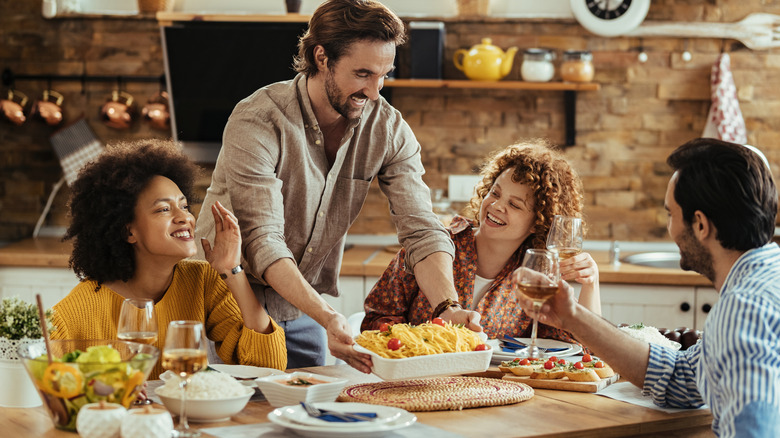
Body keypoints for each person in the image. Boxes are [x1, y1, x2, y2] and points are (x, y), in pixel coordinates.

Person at [195, 0, 475, 372]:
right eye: (362, 74)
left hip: (302, 306)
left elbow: (422, 229)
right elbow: (263, 240)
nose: (374, 91)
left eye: (383, 75)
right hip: (226, 300)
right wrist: (328, 317)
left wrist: (447, 308)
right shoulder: (260, 118)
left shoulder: (387, 128)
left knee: (311, 417)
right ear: (321, 56)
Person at [514, 138, 780, 437]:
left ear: (701, 225)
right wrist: (572, 316)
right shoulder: (766, 282)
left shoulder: (745, 308)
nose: (671, 229)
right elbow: (682, 379)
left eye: (671, 214)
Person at [51, 140, 287, 379]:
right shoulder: (73, 315)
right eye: (164, 209)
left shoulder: (202, 281)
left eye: (184, 206)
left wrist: (232, 270)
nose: (184, 217)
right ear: (128, 231)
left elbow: (267, 366)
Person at [362, 140, 601, 343]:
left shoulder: (538, 273)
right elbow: (375, 321)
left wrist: (591, 284)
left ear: (538, 222)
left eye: (514, 205)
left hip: (499, 392)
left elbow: (576, 348)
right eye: (495, 193)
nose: (496, 206)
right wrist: (414, 343)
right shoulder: (431, 247)